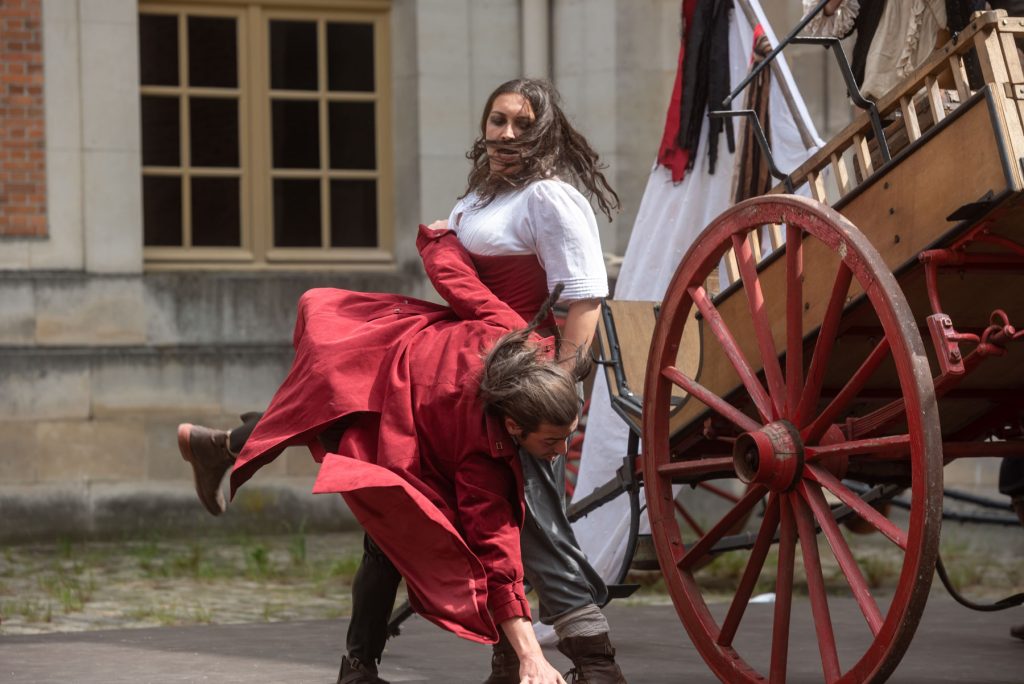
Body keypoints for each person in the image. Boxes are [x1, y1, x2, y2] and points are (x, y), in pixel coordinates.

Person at [180, 78, 628, 683]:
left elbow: (586, 299)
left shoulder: (550, 198)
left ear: (545, 133)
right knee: (393, 488)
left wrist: (555, 387)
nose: (506, 134)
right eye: (497, 120)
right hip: (456, 371)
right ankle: (365, 666)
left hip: (516, 384)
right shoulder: (479, 200)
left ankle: (583, 664)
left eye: (523, 125)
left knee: (526, 525)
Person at [182, 225, 584, 684]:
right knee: (385, 538)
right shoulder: (481, 456)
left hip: (370, 368)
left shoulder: (515, 335)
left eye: (566, 438)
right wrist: (532, 654)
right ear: (513, 425)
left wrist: (439, 239)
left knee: (313, 419)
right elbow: (498, 553)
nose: (559, 454)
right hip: (379, 403)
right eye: (550, 443)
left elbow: (459, 281)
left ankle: (215, 445)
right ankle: (357, 669)